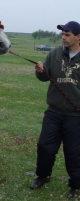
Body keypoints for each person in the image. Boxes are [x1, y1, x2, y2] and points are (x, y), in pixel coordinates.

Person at [30, 21, 80, 199]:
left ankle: (75, 186)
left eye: (67, 34)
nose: (63, 38)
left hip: (76, 115)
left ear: (78, 36)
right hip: (54, 111)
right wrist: (40, 71)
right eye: (62, 34)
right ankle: (43, 177)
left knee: (74, 153)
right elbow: (45, 76)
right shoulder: (54, 53)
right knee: (45, 146)